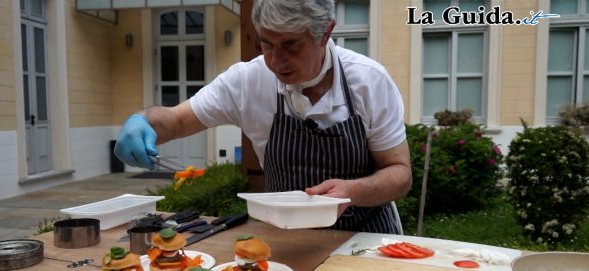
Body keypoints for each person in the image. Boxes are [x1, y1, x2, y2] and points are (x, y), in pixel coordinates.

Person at [114, 0, 412, 234]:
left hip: (366, 240)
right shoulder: (248, 81)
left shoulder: (370, 81)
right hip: (286, 243)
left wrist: (352, 191)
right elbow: (177, 119)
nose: (276, 61)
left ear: (326, 33)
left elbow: (400, 174)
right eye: (266, 43)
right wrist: (142, 122)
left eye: (291, 45)